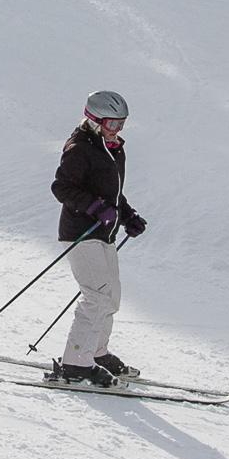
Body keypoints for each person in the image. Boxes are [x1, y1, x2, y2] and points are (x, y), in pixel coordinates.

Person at [47, 89, 147, 386]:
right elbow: (61, 187)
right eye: (112, 123)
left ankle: (96, 352)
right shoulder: (79, 148)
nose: (117, 129)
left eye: (121, 123)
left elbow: (111, 192)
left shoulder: (112, 148)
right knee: (96, 296)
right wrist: (94, 208)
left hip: (104, 233)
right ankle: (76, 363)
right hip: (80, 232)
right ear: (93, 119)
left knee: (110, 296)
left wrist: (127, 215)